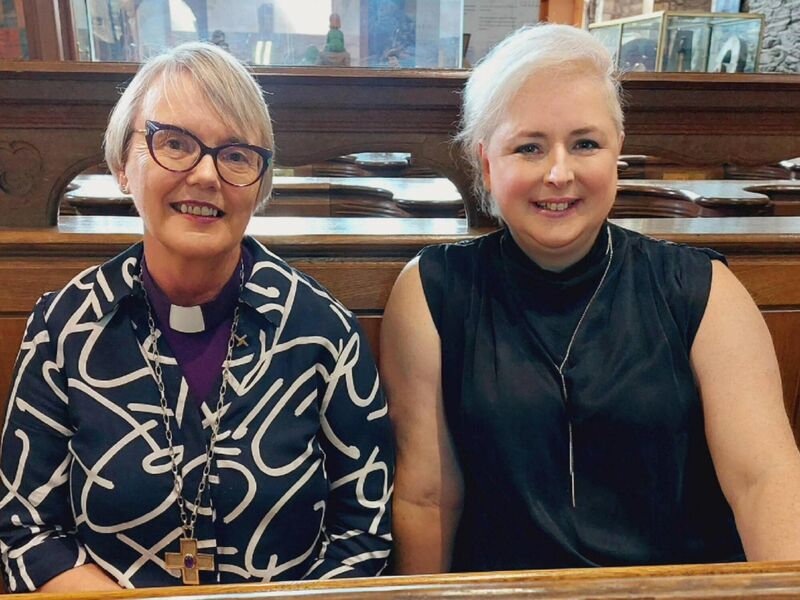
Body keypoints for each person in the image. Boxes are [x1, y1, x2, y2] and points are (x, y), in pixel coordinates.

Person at [380, 23, 800, 574]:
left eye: (585, 144)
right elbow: (428, 497)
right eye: (528, 147)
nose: (560, 173)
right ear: (487, 162)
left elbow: (763, 479)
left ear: (617, 151)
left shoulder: (703, 290)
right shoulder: (433, 292)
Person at [0, 42, 393, 591]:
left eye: (236, 154)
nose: (207, 175)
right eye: (175, 143)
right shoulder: (64, 327)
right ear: (122, 165)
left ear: (259, 185)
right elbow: (23, 529)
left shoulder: (323, 331)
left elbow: (364, 533)